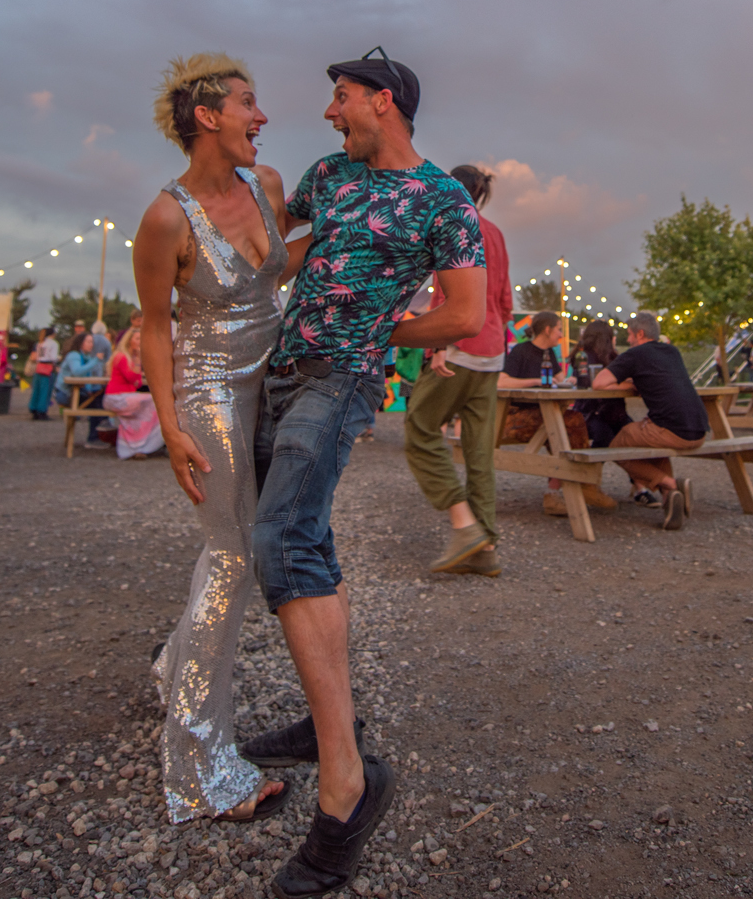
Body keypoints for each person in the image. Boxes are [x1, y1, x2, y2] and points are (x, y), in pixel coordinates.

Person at [240, 46, 483, 897]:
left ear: (383, 101)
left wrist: (379, 337)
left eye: (339, 97)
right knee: (302, 537)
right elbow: (289, 244)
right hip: (276, 371)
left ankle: (348, 785)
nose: (329, 112)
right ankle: (324, 719)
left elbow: (463, 311)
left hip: (339, 380)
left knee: (282, 539)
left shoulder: (443, 202)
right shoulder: (327, 175)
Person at [130, 53, 294, 826]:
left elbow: (285, 270)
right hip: (209, 392)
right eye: (248, 104)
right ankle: (198, 768)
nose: (260, 118)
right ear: (208, 117)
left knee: (236, 544)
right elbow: (155, 330)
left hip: (274, 381)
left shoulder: (267, 187)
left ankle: (175, 665)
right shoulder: (165, 218)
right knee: (232, 556)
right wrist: (169, 426)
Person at [403, 164, 525, 573]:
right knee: (479, 452)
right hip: (491, 351)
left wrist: (439, 343)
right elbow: (505, 300)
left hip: (457, 347)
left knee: (419, 429)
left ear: (451, 187)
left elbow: (447, 293)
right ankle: (486, 548)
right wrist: (494, 333)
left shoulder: (452, 224)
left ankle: (464, 523)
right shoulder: (496, 233)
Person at [592, 311, 709, 528]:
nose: (628, 340)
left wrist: (626, 384)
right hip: (699, 430)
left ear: (640, 334)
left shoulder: (635, 355)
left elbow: (598, 383)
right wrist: (632, 382)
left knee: (616, 447)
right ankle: (669, 500)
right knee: (652, 440)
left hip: (672, 431)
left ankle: (671, 485)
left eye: (629, 334)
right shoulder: (672, 352)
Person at [501, 310, 603, 519]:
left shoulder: (550, 355)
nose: (560, 335)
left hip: (543, 413)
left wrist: (570, 380)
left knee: (570, 422)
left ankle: (568, 490)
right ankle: (580, 487)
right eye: (558, 329)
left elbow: (558, 378)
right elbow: (500, 381)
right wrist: (535, 381)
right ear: (547, 330)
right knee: (569, 423)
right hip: (515, 417)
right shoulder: (521, 351)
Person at [103, 317, 164, 458]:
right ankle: (141, 446)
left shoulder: (130, 358)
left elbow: (136, 383)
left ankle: (138, 447)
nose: (140, 342)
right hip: (117, 397)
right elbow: (133, 379)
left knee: (150, 405)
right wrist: (138, 359)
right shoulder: (122, 357)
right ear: (129, 340)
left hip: (126, 396)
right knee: (156, 402)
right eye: (137, 339)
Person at [568, 318, 630, 448]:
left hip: (586, 413)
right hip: (605, 413)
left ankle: (589, 467)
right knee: (622, 435)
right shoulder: (612, 358)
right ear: (607, 339)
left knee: (607, 437)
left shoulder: (581, 355)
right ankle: (589, 466)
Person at [27, 327, 62, 422]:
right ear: (53, 334)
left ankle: (33, 408)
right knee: (45, 391)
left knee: (36, 390)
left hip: (39, 366)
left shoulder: (40, 343)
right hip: (48, 368)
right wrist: (60, 358)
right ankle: (42, 410)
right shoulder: (54, 344)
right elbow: (53, 357)